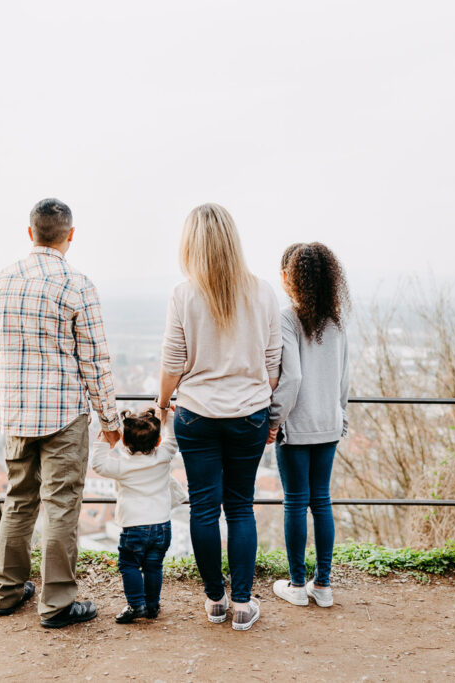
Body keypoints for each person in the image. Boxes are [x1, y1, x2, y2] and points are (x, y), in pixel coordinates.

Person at [0, 197, 122, 628]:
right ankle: (57, 603)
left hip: (16, 414)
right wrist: (110, 420)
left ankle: (7, 592)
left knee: (19, 499)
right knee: (61, 505)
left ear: (31, 233)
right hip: (63, 414)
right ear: (70, 235)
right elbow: (95, 361)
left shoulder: (2, 281)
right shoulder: (78, 284)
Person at [158, 203, 281, 631]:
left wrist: (161, 403)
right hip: (249, 412)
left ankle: (215, 600)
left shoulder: (183, 293)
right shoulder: (263, 291)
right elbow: (272, 363)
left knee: (204, 510)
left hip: (197, 413)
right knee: (242, 508)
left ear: (191, 244)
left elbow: (174, 360)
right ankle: (244, 604)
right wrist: (265, 407)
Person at [267, 242, 351, 608]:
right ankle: (325, 585)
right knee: (322, 501)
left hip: (297, 427)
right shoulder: (336, 322)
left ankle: (298, 586)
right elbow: (344, 380)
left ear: (290, 278)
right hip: (329, 424)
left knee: (295, 503)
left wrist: (274, 419)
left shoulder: (288, 319)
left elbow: (292, 378)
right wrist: (340, 416)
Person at [90, 406, 187, 624]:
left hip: (134, 526)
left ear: (124, 442)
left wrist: (105, 439)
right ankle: (152, 606)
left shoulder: (122, 465)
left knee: (129, 565)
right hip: (162, 526)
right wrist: (169, 414)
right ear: (158, 441)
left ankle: (136, 605)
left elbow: (97, 464)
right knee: (154, 566)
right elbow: (174, 438)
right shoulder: (164, 456)